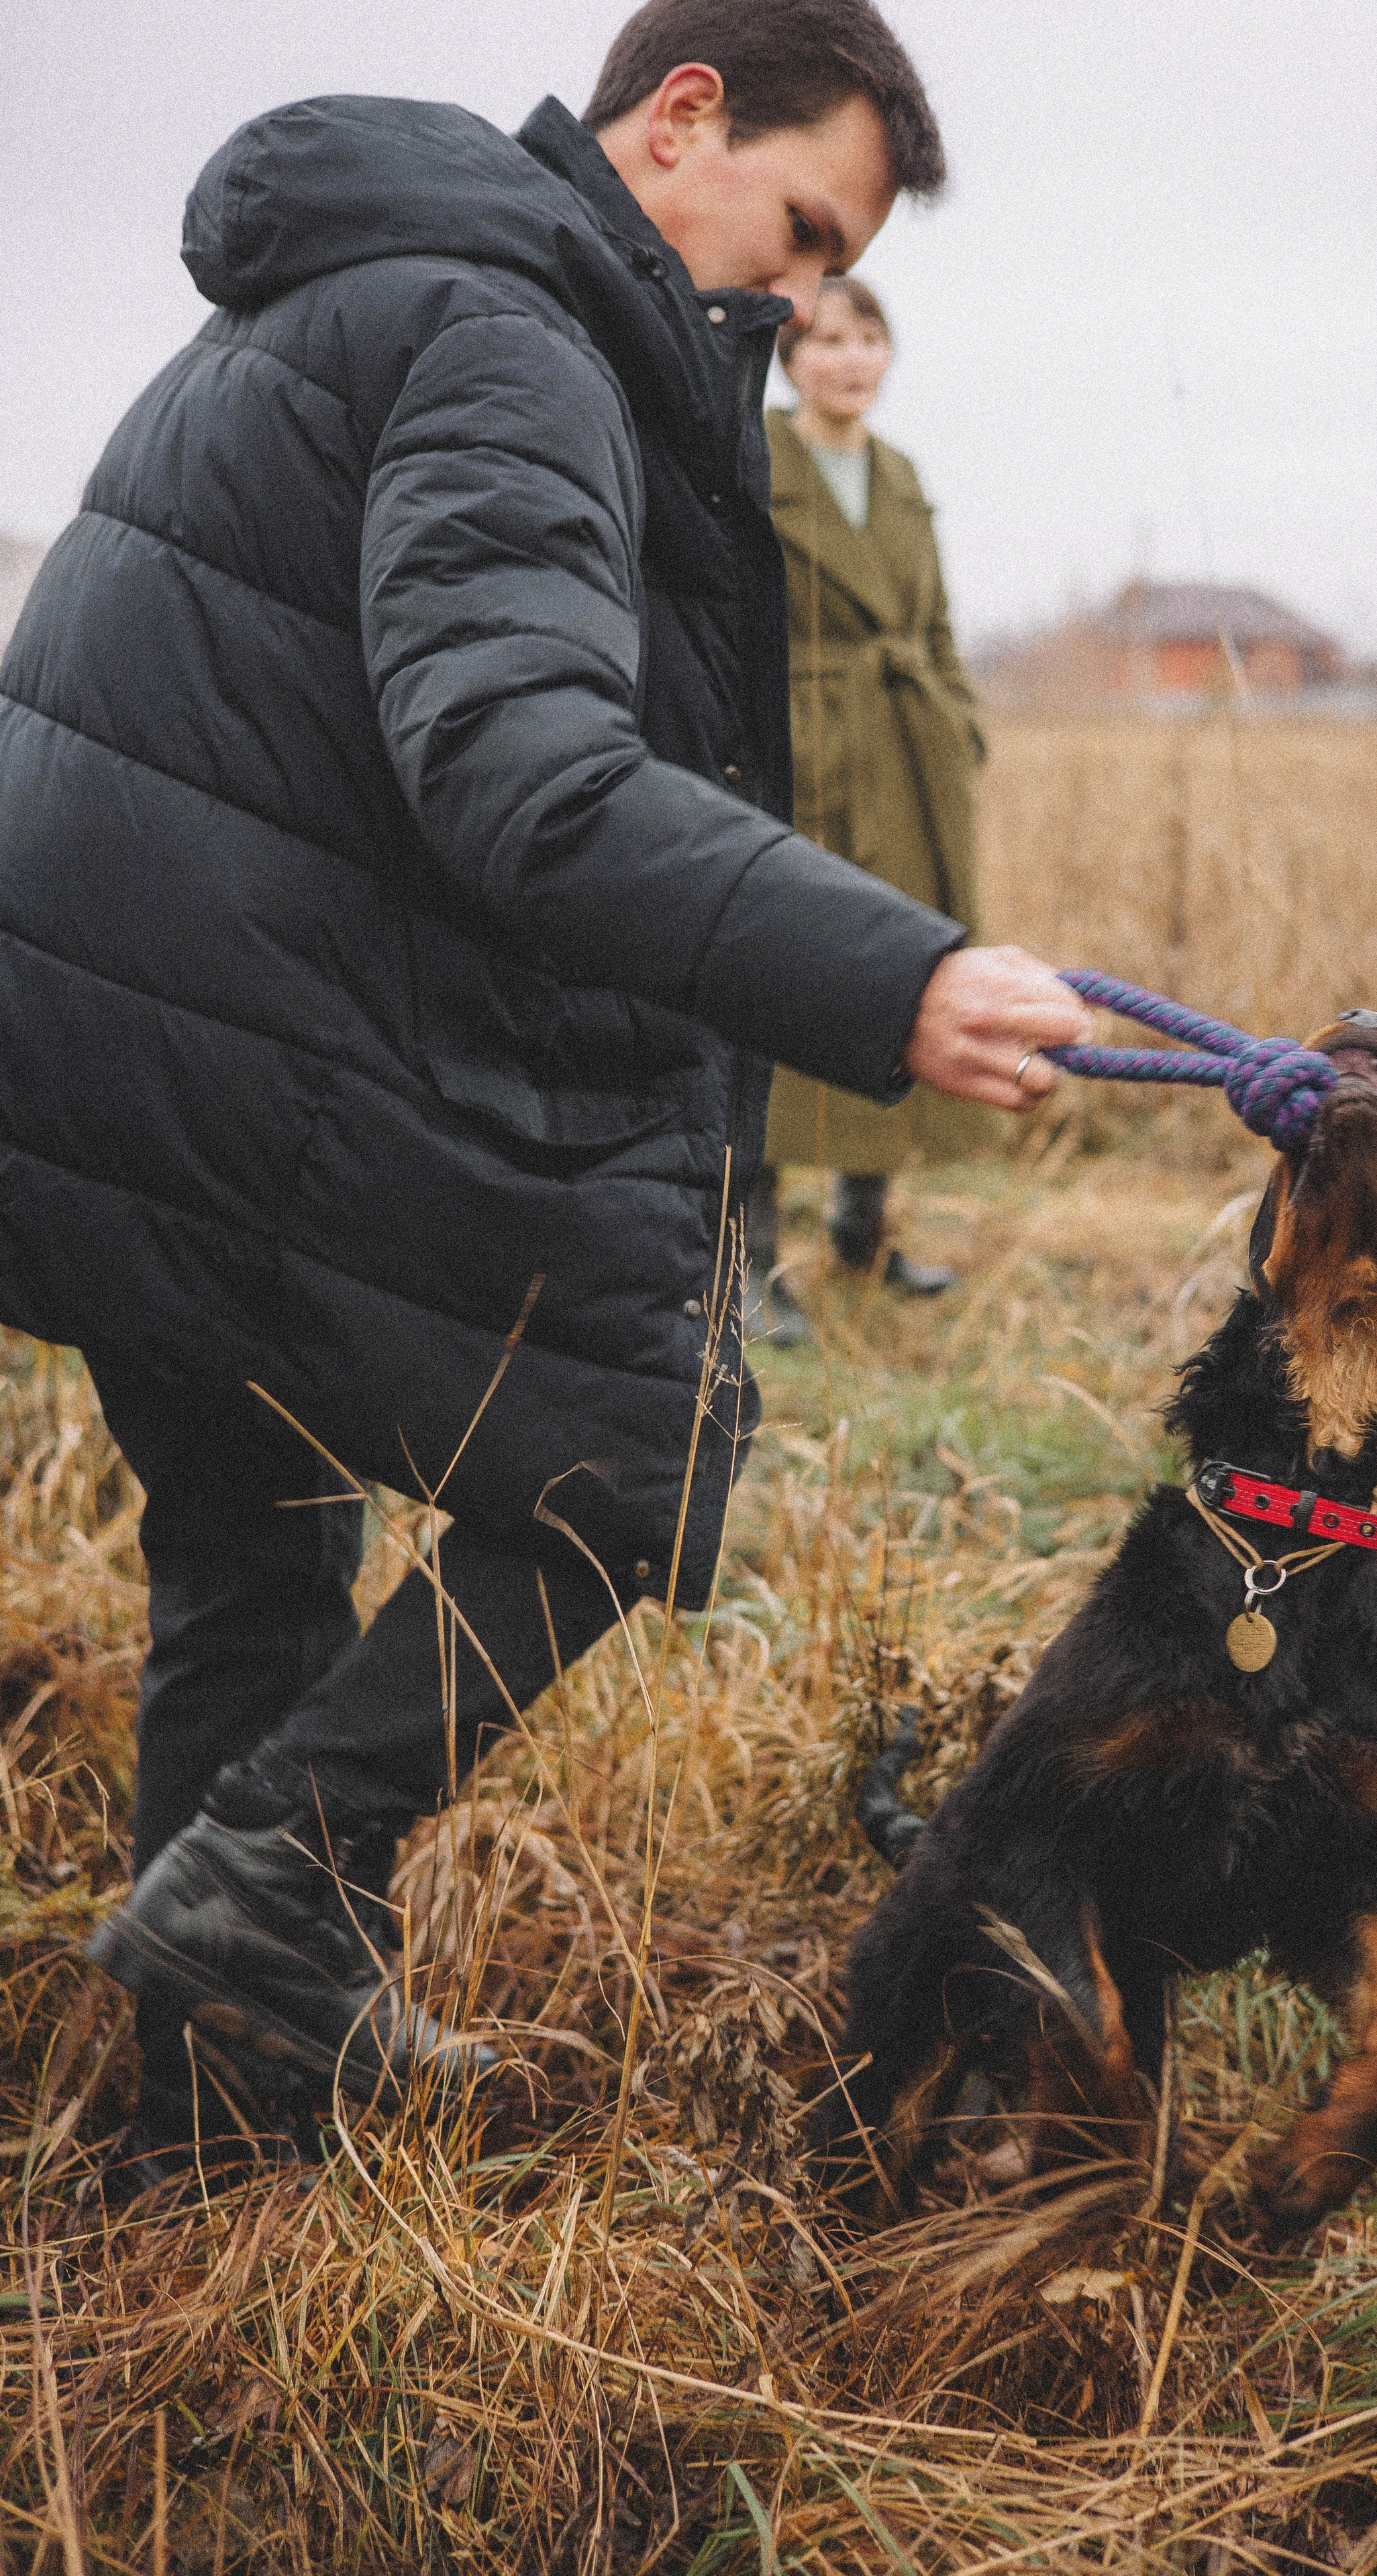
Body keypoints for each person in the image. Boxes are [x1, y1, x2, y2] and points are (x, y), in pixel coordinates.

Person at [0, 0, 1091, 2179]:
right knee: (632, 1432)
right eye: (798, 233)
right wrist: (897, 978)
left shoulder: (379, 269)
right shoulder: (516, 337)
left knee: (253, 1538)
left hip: (96, 1024)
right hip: (206, 1029)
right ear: (682, 116)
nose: (798, 303)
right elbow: (516, 768)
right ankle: (271, 1891)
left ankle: (210, 2119)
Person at [750, 278, 990, 1341]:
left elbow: (933, 626)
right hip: (800, 761)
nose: (849, 359)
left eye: (868, 338)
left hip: (908, 759)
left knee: (897, 978)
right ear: (790, 359)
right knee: (772, 986)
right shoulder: (753, 457)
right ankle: (749, 1264)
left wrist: (961, 726)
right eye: (826, 340)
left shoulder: (899, 475)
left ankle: (864, 1233)